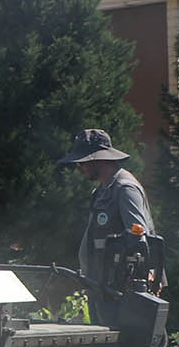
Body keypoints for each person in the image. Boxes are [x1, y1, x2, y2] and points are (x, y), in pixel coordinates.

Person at [58, 129, 152, 318]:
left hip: (119, 293)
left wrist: (140, 279)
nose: (79, 168)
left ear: (99, 160)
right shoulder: (102, 190)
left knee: (119, 346)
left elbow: (139, 240)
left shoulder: (125, 188)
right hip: (100, 288)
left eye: (83, 162)